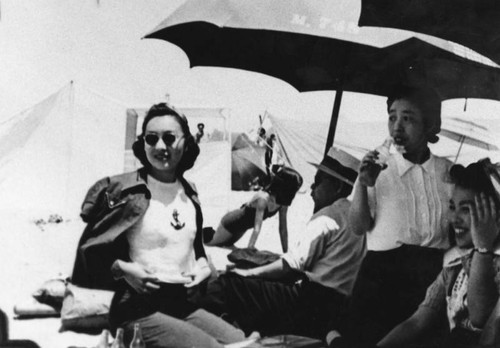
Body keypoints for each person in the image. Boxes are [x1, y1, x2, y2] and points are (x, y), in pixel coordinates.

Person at [70, 103, 251, 348]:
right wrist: (124, 269)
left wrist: (203, 267)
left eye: (169, 138)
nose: (160, 146)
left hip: (181, 303)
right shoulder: (126, 192)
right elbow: (90, 254)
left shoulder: (190, 194)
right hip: (135, 308)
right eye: (151, 139)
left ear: (186, 142)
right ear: (143, 144)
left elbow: (197, 249)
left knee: (244, 343)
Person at [198, 148, 366, 339]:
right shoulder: (357, 217)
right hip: (337, 306)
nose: (312, 188)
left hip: (310, 303)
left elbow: (290, 267)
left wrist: (248, 273)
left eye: (318, 181)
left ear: (337, 187)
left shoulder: (328, 216)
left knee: (231, 284)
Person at [334, 86, 454, 346]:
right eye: (392, 117)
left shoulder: (448, 173)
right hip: (381, 284)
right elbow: (358, 227)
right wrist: (364, 184)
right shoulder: (378, 169)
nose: (397, 127)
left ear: (430, 125)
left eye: (408, 118)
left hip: (431, 284)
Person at [377, 159, 500, 348]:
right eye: (452, 207)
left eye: (466, 209)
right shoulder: (455, 267)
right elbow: (417, 323)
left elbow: (479, 319)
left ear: (495, 215)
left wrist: (483, 248)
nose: (453, 218)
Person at [207, 166, 303, 253]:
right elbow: (257, 228)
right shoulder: (263, 198)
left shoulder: (282, 203)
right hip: (231, 222)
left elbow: (283, 229)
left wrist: (286, 253)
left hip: (243, 227)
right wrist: (251, 247)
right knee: (211, 244)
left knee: (227, 245)